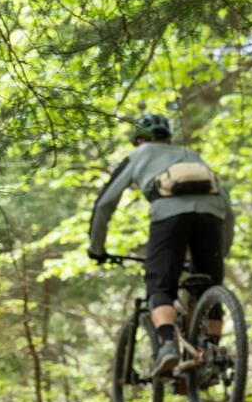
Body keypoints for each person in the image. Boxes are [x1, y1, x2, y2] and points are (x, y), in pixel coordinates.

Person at [88, 114, 235, 379]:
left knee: (160, 286)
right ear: (168, 137)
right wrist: (221, 252)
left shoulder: (139, 154)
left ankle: (167, 345)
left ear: (140, 139)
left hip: (168, 217)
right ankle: (213, 353)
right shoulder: (191, 154)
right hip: (211, 217)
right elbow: (227, 207)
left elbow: (104, 204)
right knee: (211, 287)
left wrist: (96, 248)